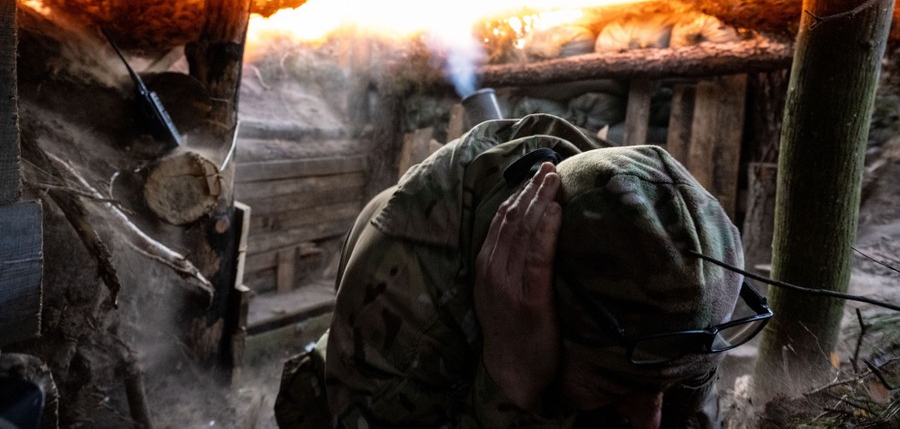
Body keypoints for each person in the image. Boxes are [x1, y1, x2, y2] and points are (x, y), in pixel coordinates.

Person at [275, 113, 768, 428]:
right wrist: (512, 378)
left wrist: (680, 388)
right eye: (613, 385)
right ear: (541, 308)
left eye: (665, 384)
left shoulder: (657, 263)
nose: (648, 422)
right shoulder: (410, 282)